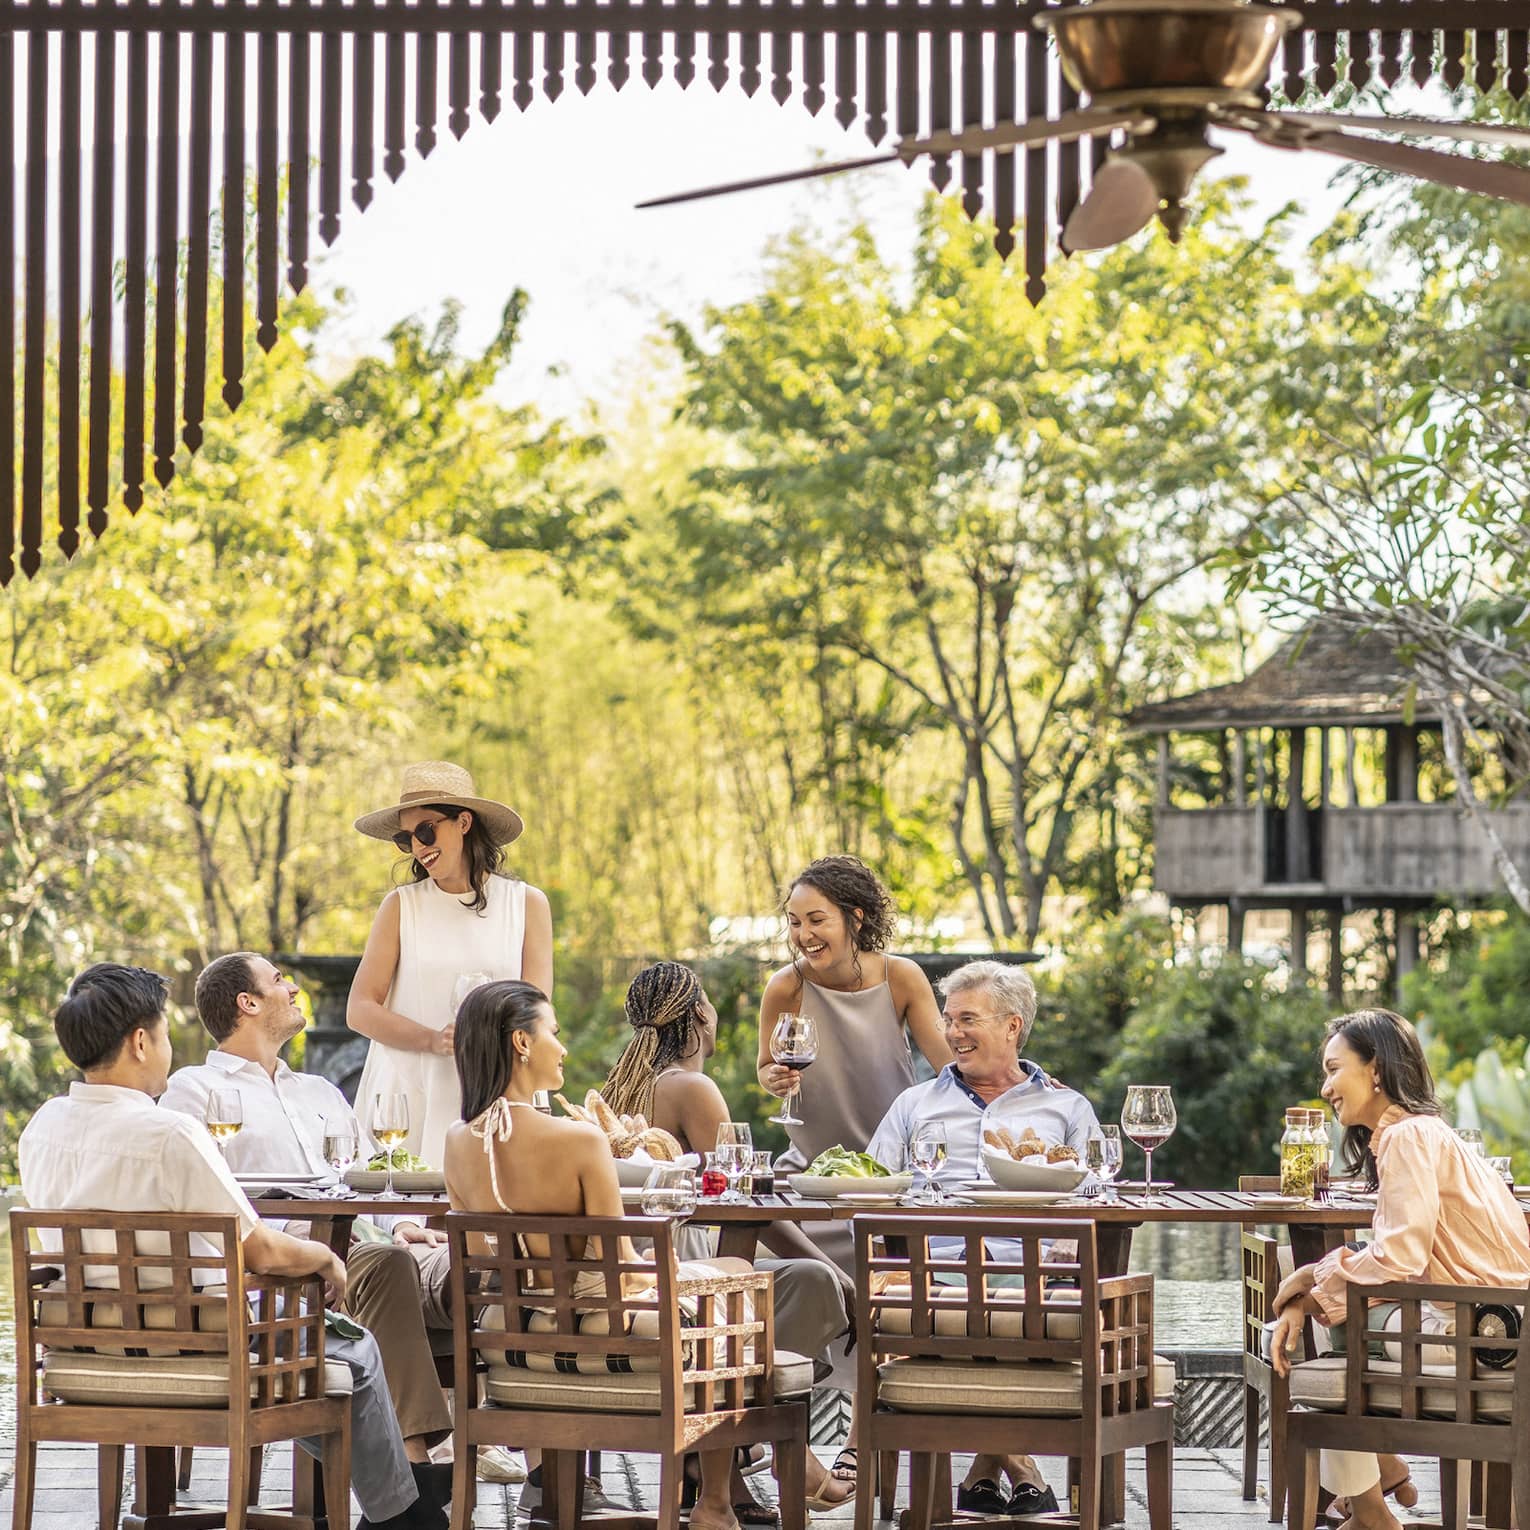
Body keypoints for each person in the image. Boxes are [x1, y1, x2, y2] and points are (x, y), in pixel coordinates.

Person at [17, 963, 448, 1530]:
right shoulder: (170, 1133)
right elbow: (261, 1252)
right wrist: (325, 1258)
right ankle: (400, 1515)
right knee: (356, 1355)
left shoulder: (41, 1129)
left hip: (81, 1354)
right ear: (140, 1043)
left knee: (341, 1355)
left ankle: (398, 1503)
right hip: (205, 1349)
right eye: (167, 1034)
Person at [161, 952, 526, 1486]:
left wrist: (399, 1223)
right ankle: (416, 1468)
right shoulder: (194, 1091)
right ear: (248, 1002)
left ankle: (532, 1446)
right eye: (279, 980)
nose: (291, 989)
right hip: (291, 1262)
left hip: (373, 1243)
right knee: (385, 1263)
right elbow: (200, 1199)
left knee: (489, 1260)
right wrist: (302, 1239)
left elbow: (358, 1178)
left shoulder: (320, 1092)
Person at [443, 980, 751, 1530]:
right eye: (553, 1034)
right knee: (736, 1279)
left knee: (722, 1279)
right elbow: (624, 1270)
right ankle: (715, 1504)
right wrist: (679, 1268)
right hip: (600, 1326)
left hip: (513, 1334)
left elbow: (479, 1260)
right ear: (521, 1042)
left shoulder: (457, 1139)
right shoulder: (578, 1141)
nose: (562, 1048)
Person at [603, 961, 855, 1516]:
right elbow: (744, 1204)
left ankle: (729, 1466)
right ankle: (746, 1447)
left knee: (798, 1281)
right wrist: (839, 1274)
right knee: (813, 1280)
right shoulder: (693, 1087)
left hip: (641, 1259)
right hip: (690, 1258)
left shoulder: (621, 1084)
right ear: (699, 1015)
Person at [1271, 1008, 1530, 1530]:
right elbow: (1408, 1258)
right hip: (1494, 1324)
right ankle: (1377, 1480)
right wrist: (1313, 1286)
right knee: (1339, 1317)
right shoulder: (1426, 1132)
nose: (1325, 1088)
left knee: (1337, 1333)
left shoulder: (1408, 1138)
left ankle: (1371, 1505)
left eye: (1333, 1069)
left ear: (1376, 1071)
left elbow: (1399, 1257)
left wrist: (1312, 1282)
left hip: (1478, 1334)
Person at [864, 958, 1102, 1519]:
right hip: (935, 1275)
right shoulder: (914, 1104)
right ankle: (1021, 1467)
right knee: (977, 1295)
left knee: (1010, 1291)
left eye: (967, 1019)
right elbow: (871, 1183)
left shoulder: (1066, 1106)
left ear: (1012, 1025)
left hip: (1038, 1275)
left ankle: (982, 1470)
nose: (951, 1033)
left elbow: (1099, 1188)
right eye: (948, 1019)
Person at [348, 760, 553, 1168]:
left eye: (426, 830)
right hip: (414, 1090)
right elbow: (360, 1009)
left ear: (463, 822)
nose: (419, 846)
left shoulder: (527, 903)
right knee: (420, 1223)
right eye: (407, 839)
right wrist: (434, 1041)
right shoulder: (401, 907)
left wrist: (490, 1048)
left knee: (503, 1218)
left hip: (499, 1085)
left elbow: (538, 1011)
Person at [755, 857, 952, 1186]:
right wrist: (773, 1079)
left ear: (856, 919)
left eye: (817, 920)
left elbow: (950, 1064)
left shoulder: (901, 977)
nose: (804, 935)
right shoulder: (784, 987)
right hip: (813, 1172)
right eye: (795, 922)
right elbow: (765, 1067)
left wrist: (1015, 1079)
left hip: (891, 1170)